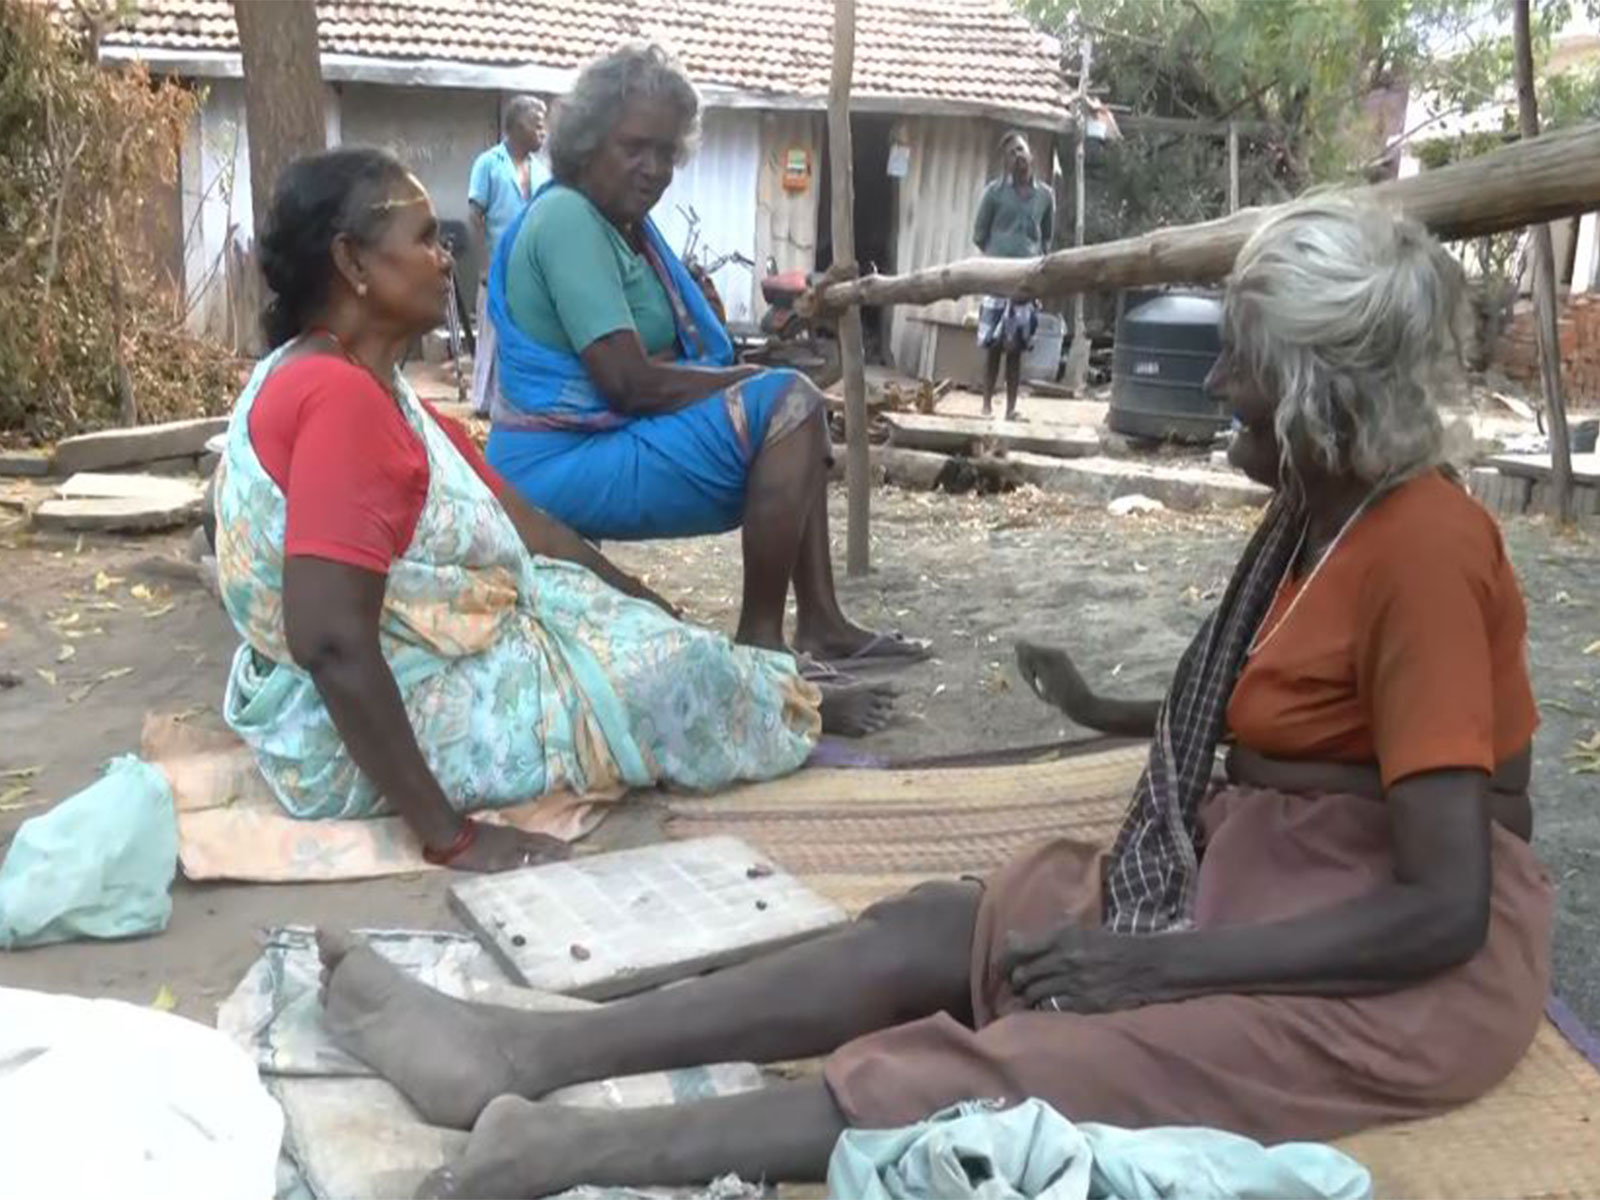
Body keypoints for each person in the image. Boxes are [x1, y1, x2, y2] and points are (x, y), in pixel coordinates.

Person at [312, 197, 1552, 1198]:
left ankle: (559, 1152)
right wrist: (1125, 716)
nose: (1221, 383)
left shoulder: (1423, 550)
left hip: (1394, 966)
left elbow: (1442, 909)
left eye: (1247, 361)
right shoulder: (1320, 511)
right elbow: (1299, 722)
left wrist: (1162, 972)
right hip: (1276, 881)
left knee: (1037, 1061)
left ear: (1316, 388)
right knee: (934, 930)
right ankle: (527, 1051)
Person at [211, 147, 896, 875]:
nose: (446, 258)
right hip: (343, 737)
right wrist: (452, 836)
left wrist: (634, 594)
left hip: (398, 675)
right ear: (351, 262)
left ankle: (762, 687)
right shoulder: (337, 398)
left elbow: (518, 517)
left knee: (632, 622)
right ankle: (783, 711)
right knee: (670, 677)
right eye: (422, 239)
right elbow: (331, 642)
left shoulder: (359, 382)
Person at [483, 44, 925, 669]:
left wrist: (762, 383)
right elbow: (628, 384)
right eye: (634, 147)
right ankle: (761, 648)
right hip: (553, 465)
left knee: (793, 410)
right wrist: (754, 378)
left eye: (666, 152)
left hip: (595, 443)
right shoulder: (568, 221)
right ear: (588, 142)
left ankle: (821, 621)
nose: (654, 168)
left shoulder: (620, 227)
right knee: (789, 402)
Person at [468, 96, 548, 417]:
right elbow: (475, 216)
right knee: (491, 331)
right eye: (537, 123)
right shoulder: (489, 163)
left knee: (522, 334)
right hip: (497, 266)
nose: (544, 130)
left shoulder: (541, 171)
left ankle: (510, 401)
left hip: (528, 269)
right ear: (515, 126)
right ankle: (482, 405)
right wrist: (484, 265)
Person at [973, 132, 1055, 421]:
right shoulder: (994, 193)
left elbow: (1045, 239)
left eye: (1021, 150)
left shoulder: (1045, 195)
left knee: (1016, 346)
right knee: (993, 344)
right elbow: (979, 235)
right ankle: (985, 405)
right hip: (997, 278)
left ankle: (1011, 408)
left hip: (1026, 280)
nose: (1018, 156)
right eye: (1011, 153)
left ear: (1031, 154)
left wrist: (1038, 277)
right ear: (1005, 163)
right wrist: (999, 258)